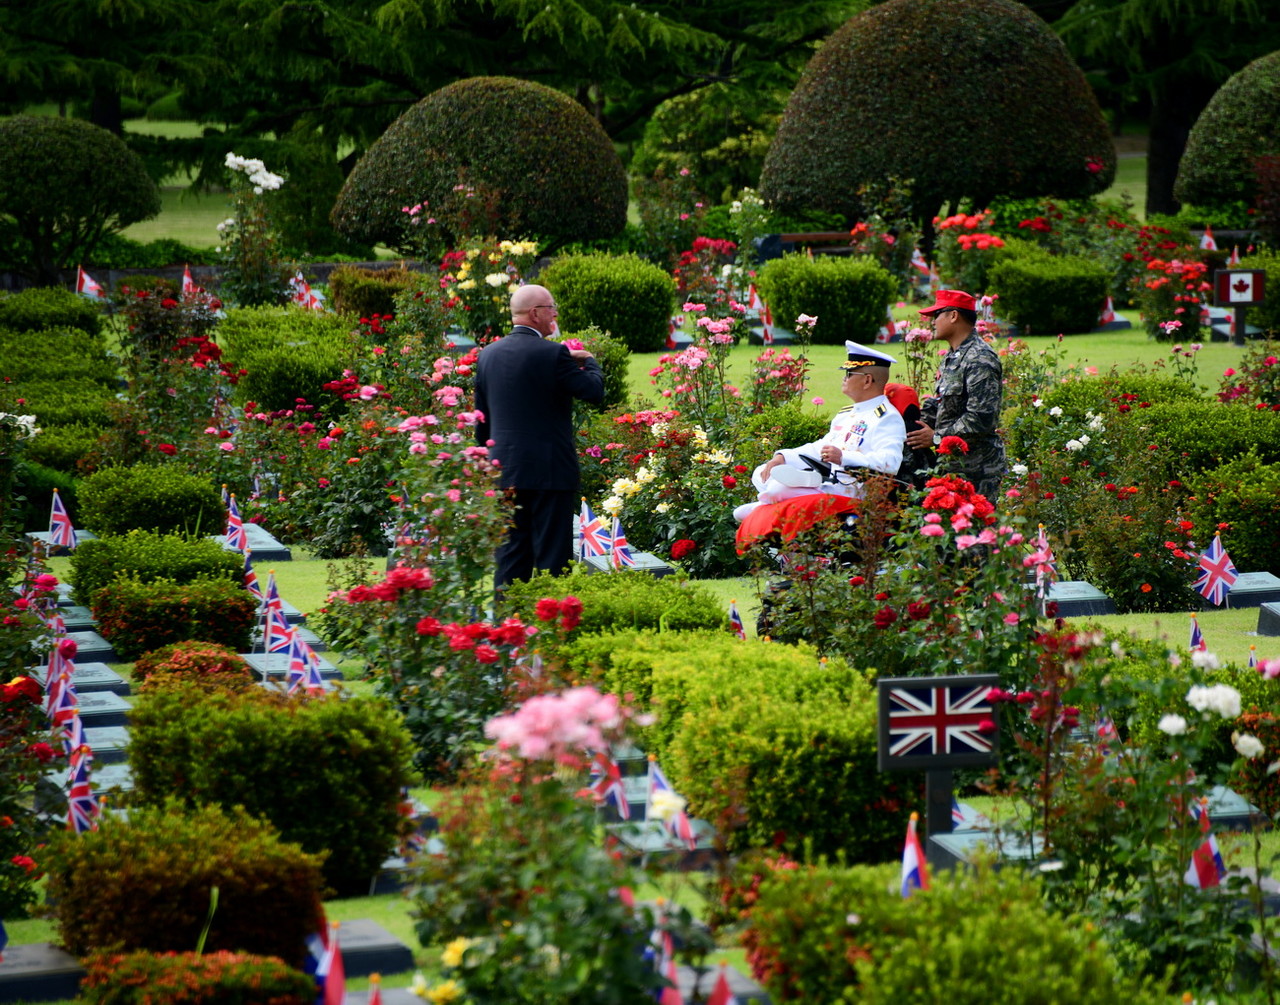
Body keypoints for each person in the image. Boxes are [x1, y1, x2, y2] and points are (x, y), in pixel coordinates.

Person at [475, 284, 604, 590]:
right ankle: (548, 625)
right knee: (551, 558)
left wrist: (487, 460)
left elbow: (482, 420)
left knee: (509, 555)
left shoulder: (488, 355)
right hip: (550, 473)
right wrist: (590, 360)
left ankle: (507, 628)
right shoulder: (554, 354)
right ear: (535, 314)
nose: (555, 313)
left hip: (504, 471)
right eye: (551, 307)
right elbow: (593, 391)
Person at [735, 342, 906, 522]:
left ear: (867, 380)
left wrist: (844, 457)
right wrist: (783, 457)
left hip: (849, 489)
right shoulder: (847, 414)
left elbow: (890, 463)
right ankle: (777, 495)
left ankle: (763, 506)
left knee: (779, 487)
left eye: (849, 373)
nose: (844, 378)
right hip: (826, 480)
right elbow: (821, 448)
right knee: (762, 471)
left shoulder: (887, 418)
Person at [905, 289, 1006, 500]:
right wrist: (908, 426)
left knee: (977, 530)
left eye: (936, 315)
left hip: (977, 471)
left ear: (953, 316)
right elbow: (942, 403)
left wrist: (936, 437)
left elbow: (981, 418)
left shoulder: (980, 358)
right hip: (952, 465)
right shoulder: (953, 356)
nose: (932, 322)